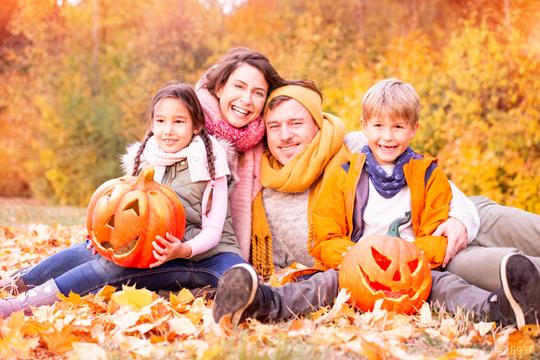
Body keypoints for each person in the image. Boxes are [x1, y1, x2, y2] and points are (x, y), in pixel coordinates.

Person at [212, 79, 540, 330]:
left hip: (419, 263)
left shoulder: (422, 172)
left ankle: (496, 310)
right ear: (365, 125)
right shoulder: (341, 176)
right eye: (379, 127)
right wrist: (358, 258)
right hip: (358, 266)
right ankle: (262, 302)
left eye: (398, 127)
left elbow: (441, 225)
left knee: (448, 286)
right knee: (324, 284)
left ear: (414, 130)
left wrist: (415, 256)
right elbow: (324, 238)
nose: (387, 136)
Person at [0, 83, 244, 317]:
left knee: (112, 268)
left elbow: (213, 231)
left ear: (196, 126)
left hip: (210, 255)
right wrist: (105, 239)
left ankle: (21, 306)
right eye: (160, 121)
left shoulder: (212, 164)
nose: (168, 129)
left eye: (178, 122)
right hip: (157, 254)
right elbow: (125, 212)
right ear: (152, 124)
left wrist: (181, 249)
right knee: (86, 251)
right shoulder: (147, 158)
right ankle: (13, 285)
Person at [195, 48, 285, 260]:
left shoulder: (267, 136)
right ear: (219, 88)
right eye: (239, 86)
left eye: (258, 93)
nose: (246, 100)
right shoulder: (186, 121)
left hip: (228, 259)